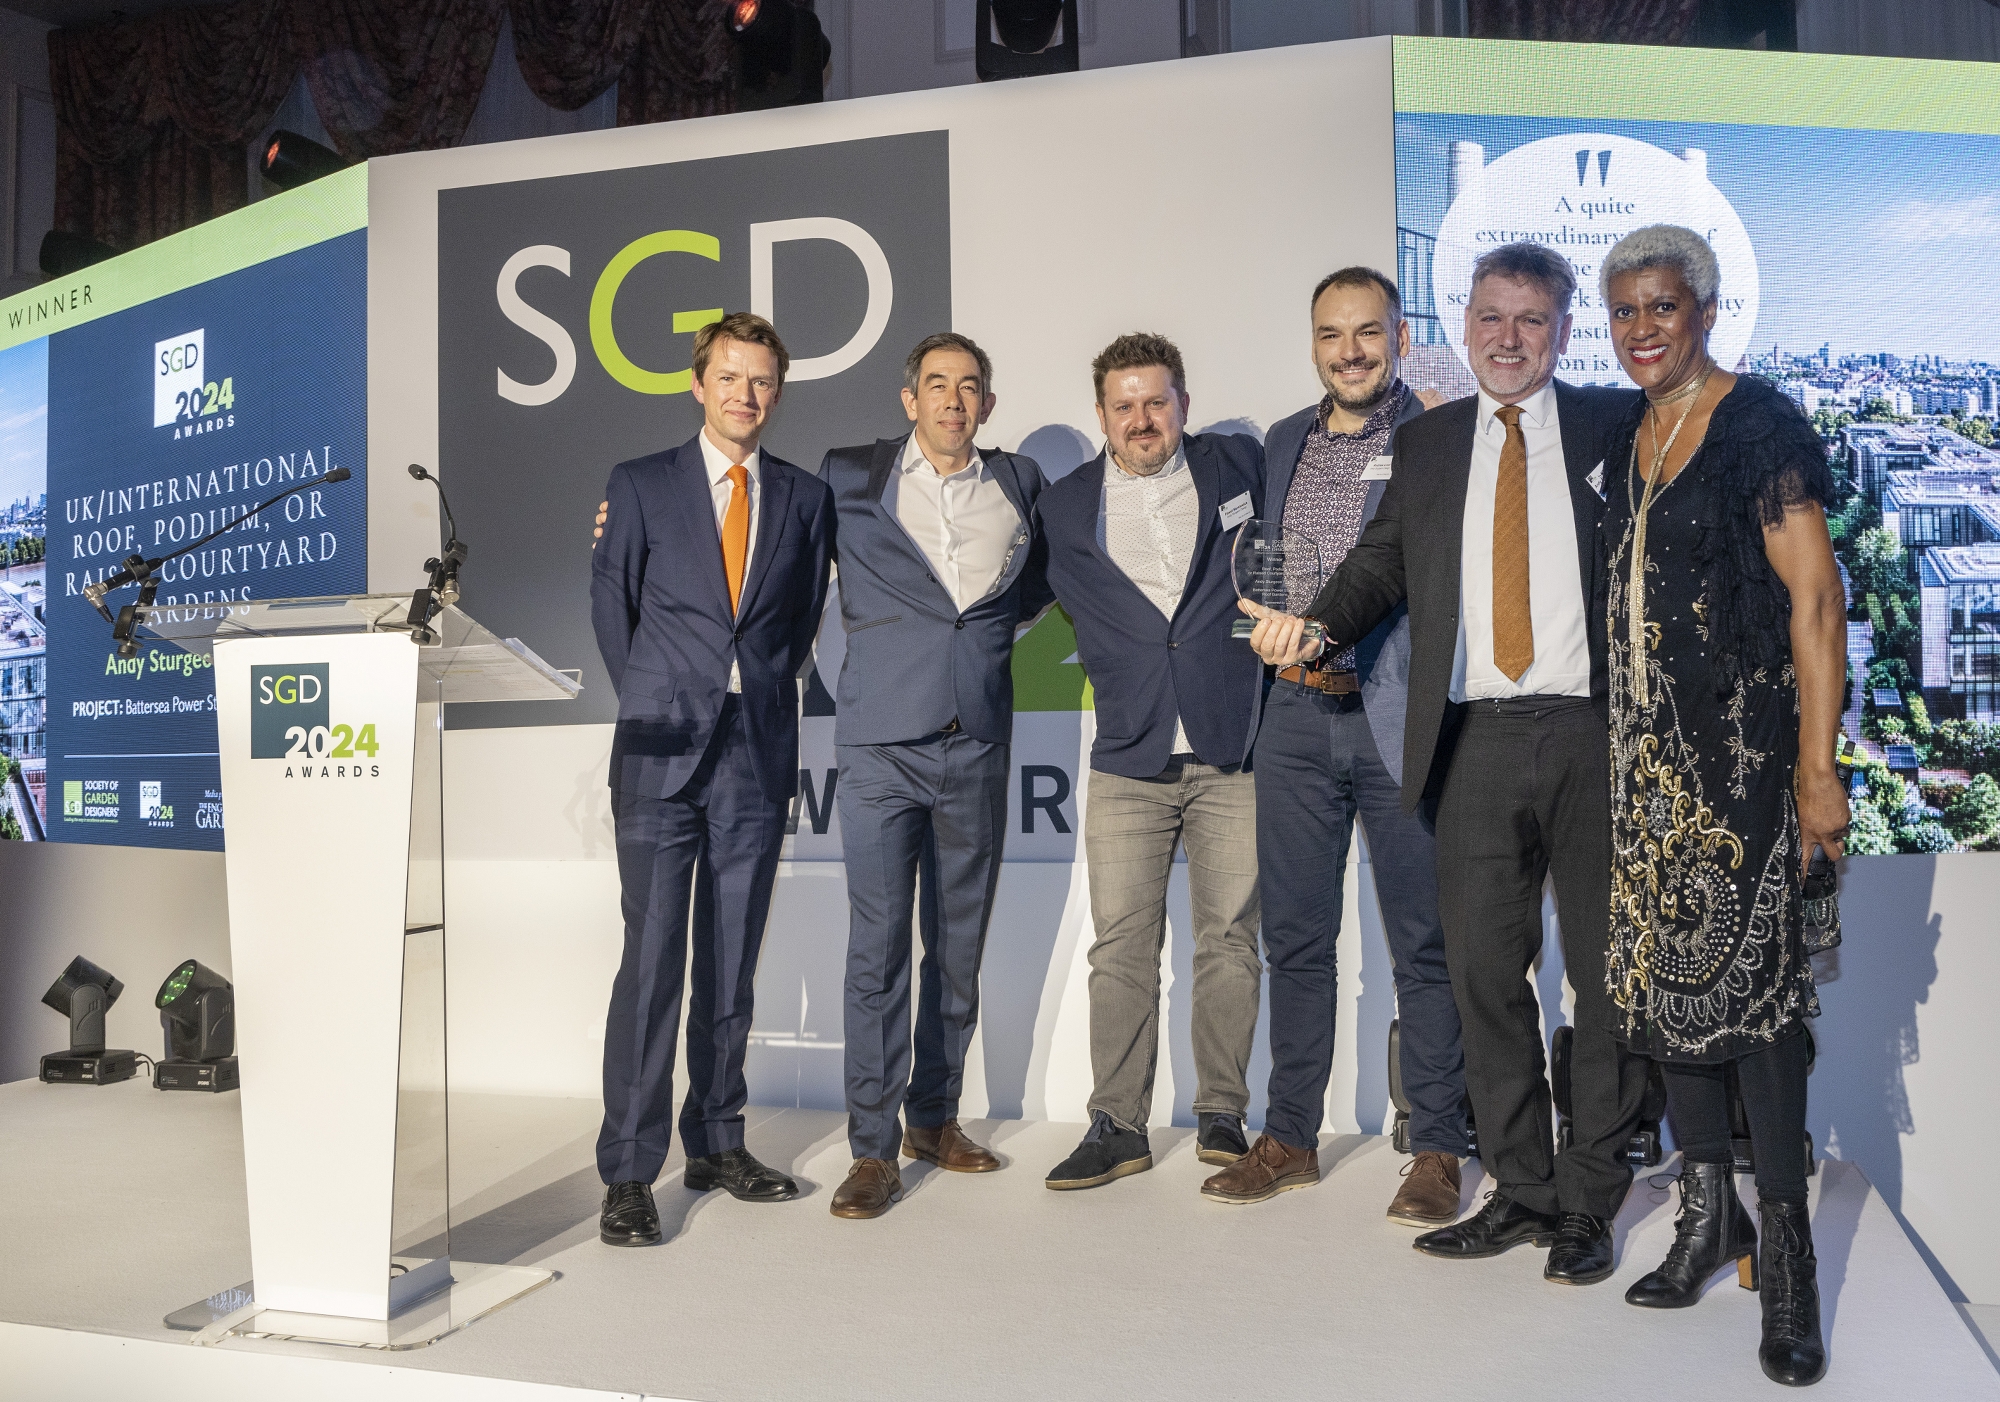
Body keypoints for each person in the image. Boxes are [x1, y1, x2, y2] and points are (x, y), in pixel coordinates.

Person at [1242, 242, 1650, 1284]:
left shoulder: (1614, 425)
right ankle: (1519, 1185)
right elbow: (1379, 563)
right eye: (1490, 318)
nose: (1507, 339)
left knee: (1601, 979)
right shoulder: (1427, 443)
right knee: (1482, 973)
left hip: (1588, 730)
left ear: (1562, 331)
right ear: (1463, 328)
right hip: (1469, 737)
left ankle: (1589, 1197)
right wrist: (1313, 628)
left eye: (1530, 319)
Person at [1595, 225, 1845, 1387]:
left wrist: (1814, 766)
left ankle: (1782, 1251)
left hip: (1743, 761)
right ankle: (1706, 1216)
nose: (1641, 329)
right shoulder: (1631, 432)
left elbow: (1815, 602)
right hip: (1645, 768)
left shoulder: (1758, 426)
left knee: (1757, 1002)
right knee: (1668, 989)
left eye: (1661, 306)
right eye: (1623, 312)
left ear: (1702, 308)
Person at [1199, 268, 1471, 1227]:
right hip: (1295, 723)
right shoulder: (1282, 440)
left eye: (1367, 332)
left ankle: (1437, 1145)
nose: (1350, 351)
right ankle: (1289, 1139)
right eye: (1330, 334)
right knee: (1297, 943)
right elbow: (1265, 561)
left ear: (1400, 337)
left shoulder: (1438, 433)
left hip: (1397, 717)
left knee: (1423, 945)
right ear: (1313, 344)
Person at [589, 312, 835, 1246]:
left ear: (778, 392)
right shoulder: (641, 483)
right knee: (653, 963)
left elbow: (798, 622)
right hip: (661, 748)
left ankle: (718, 1141)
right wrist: (663, 698)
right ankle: (628, 1170)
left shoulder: (806, 498)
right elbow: (612, 604)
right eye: (730, 377)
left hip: (756, 749)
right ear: (699, 385)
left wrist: (748, 694)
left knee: (732, 960)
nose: (746, 394)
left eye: (762, 380)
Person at [817, 333, 1055, 1219]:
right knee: (877, 951)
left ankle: (934, 1118)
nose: (954, 400)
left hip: (976, 741)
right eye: (937, 385)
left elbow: (1032, 589)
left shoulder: (1020, 481)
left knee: (957, 947)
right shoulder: (848, 475)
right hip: (879, 744)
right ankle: (871, 1150)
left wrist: (975, 646)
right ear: (908, 398)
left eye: (970, 386)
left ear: (987, 404)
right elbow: (782, 558)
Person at [1033, 333, 1265, 1192]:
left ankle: (1222, 1113)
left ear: (1183, 405)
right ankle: (1118, 1125)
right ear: (1102, 414)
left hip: (1231, 746)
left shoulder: (1240, 466)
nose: (1142, 420)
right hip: (1128, 756)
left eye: (1156, 402)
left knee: (1230, 940)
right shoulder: (1062, 508)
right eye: (1124, 405)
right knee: (1121, 948)